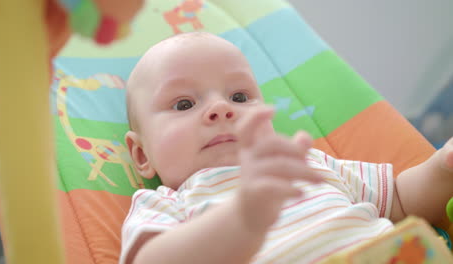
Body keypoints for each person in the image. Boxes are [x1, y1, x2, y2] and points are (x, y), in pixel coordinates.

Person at [120, 32, 453, 264]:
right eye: (183, 104)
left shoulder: (302, 162)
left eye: (238, 97)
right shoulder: (164, 204)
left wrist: (440, 168)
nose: (221, 109)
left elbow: (398, 198)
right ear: (141, 155)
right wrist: (243, 218)